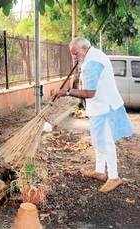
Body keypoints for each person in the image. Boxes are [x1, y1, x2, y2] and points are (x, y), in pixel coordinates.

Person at [55, 37, 134, 193]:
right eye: (73, 54)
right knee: (98, 140)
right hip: (100, 107)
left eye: (75, 53)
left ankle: (114, 176)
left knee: (106, 141)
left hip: (105, 108)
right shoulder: (94, 55)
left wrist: (67, 92)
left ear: (84, 49)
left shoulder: (92, 62)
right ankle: (100, 171)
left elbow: (89, 93)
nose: (74, 57)